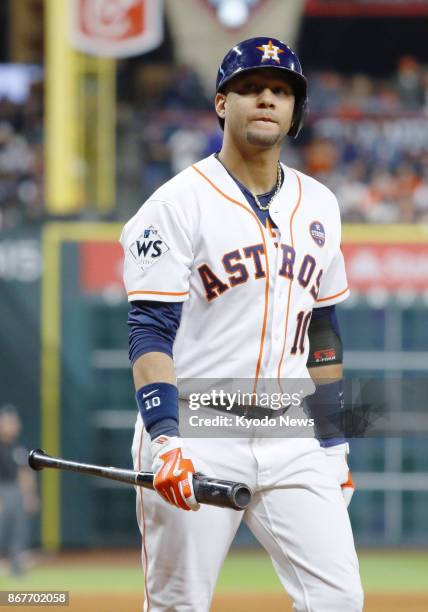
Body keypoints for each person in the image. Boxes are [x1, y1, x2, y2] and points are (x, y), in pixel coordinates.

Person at [120, 37, 364, 611]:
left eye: (281, 92)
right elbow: (149, 331)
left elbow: (323, 334)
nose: (267, 100)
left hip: (291, 428)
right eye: (251, 88)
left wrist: (334, 446)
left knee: (340, 600)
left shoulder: (321, 203)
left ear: (295, 111)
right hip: (198, 427)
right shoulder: (175, 204)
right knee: (179, 603)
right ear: (221, 103)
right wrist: (165, 438)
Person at [0, 405, 39, 576]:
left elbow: (25, 472)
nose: (12, 426)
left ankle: (16, 568)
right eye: (8, 423)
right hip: (2, 489)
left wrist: (30, 495)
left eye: (14, 423)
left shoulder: (18, 449)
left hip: (16, 491)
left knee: (19, 530)